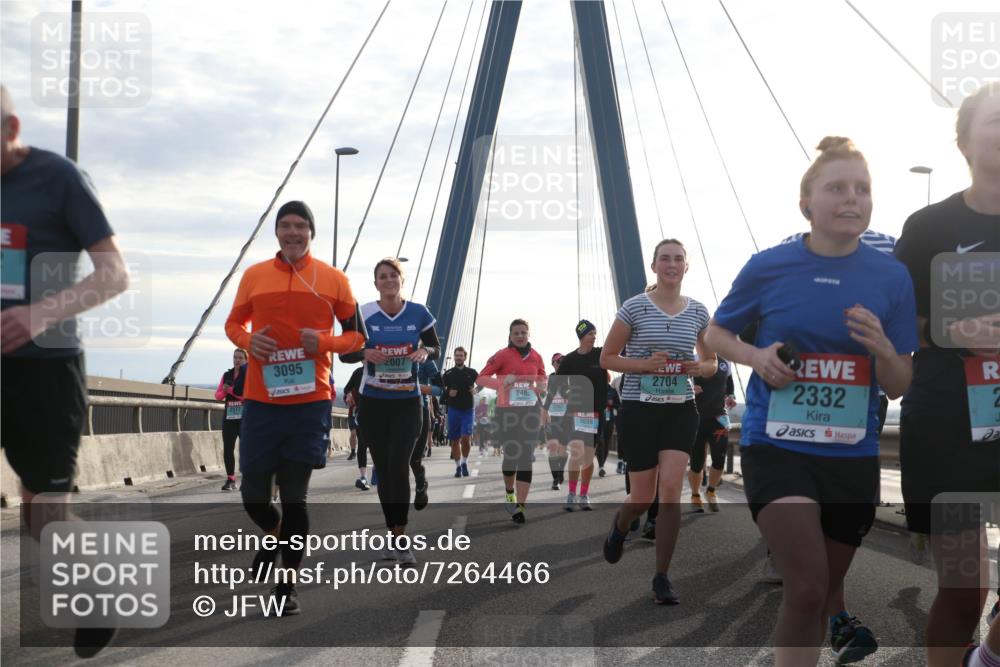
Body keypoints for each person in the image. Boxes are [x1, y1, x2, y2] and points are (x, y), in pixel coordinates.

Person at [704, 137, 918, 666]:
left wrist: (885, 348)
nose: (852, 199)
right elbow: (715, 334)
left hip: (851, 453)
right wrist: (757, 356)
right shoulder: (769, 266)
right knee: (805, 587)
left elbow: (899, 383)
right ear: (807, 204)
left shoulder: (891, 276)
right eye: (837, 188)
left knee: (821, 594)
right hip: (776, 445)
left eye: (862, 189)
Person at [1, 84, 130, 657]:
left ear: (11, 128)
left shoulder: (58, 178)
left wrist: (38, 314)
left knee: (43, 513)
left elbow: (114, 274)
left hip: (46, 371)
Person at [894, 82, 1000, 667]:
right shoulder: (930, 224)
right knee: (964, 591)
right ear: (963, 141)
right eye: (994, 119)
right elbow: (896, 325)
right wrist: (956, 332)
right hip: (947, 427)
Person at [225, 200, 366, 616]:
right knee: (253, 497)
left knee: (295, 499)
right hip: (261, 402)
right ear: (277, 233)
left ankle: (287, 588)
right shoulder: (254, 276)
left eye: (300, 226)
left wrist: (324, 343)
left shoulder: (334, 280)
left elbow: (357, 337)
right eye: (285, 226)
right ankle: (274, 533)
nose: (292, 233)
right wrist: (248, 341)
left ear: (311, 232)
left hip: (309, 402)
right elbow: (233, 325)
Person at [599, 238, 716, 605]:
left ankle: (662, 577)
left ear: (686, 267)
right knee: (643, 496)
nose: (671, 264)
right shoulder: (634, 308)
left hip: (680, 409)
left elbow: (712, 361)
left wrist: (702, 368)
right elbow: (607, 358)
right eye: (665, 259)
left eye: (678, 259)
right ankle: (621, 524)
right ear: (654, 266)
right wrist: (643, 365)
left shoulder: (698, 311)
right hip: (639, 408)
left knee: (670, 492)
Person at [357, 257, 440, 565]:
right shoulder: (364, 313)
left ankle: (401, 538)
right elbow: (346, 352)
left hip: (407, 402)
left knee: (399, 465)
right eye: (383, 276)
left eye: (394, 275)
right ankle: (392, 534)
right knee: (383, 471)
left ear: (402, 280)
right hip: (373, 403)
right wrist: (365, 351)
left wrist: (423, 351)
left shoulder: (419, 313)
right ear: (375, 282)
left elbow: (435, 347)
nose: (389, 280)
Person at [477, 319, 547, 524]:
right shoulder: (501, 355)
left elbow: (543, 377)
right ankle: (509, 492)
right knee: (511, 455)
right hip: (507, 412)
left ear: (528, 334)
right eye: (516, 333)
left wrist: (542, 386)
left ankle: (521, 506)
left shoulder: (536, 357)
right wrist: (501, 382)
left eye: (523, 332)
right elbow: (481, 378)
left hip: (530, 412)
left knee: (526, 455)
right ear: (510, 335)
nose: (520, 336)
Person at [544, 320, 608, 511]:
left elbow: (622, 349)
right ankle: (572, 494)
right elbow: (555, 387)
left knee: (588, 457)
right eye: (590, 334)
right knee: (577, 452)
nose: (594, 337)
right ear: (581, 336)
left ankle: (584, 494)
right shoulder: (570, 360)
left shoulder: (601, 354)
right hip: (576, 413)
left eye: (595, 333)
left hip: (596, 414)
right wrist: (545, 408)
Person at [687, 357, 736, 512]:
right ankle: (695, 495)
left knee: (719, 459)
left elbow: (730, 385)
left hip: (719, 418)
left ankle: (711, 490)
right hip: (696, 418)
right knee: (696, 462)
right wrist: (690, 388)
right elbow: (680, 382)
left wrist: (731, 396)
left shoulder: (726, 361)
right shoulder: (693, 358)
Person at [442, 346, 478, 477]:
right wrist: (448, 393)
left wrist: (477, 390)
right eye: (456, 355)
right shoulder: (448, 374)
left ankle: (464, 462)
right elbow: (440, 391)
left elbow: (482, 382)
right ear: (454, 356)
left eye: (461, 355)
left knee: (466, 439)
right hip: (453, 410)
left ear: (465, 357)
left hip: (468, 410)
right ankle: (457, 466)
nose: (458, 357)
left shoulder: (472, 372)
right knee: (455, 440)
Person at [214, 348, 247, 491]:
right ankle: (230, 479)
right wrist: (225, 391)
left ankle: (246, 479)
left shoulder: (249, 375)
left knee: (245, 449)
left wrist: (231, 391)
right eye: (235, 357)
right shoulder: (227, 375)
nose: (237, 360)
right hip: (230, 416)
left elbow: (248, 396)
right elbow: (218, 396)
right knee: (228, 448)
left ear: (246, 360)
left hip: (245, 416)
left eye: (240, 358)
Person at [412, 356, 443, 510]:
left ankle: (420, 484)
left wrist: (418, 387)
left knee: (414, 460)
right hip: (394, 411)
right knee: (396, 462)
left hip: (419, 411)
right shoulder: (387, 352)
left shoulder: (425, 360)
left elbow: (440, 389)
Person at [544, 352, 568, 490]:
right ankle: (555, 480)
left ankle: (561, 472)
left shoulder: (570, 378)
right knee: (553, 448)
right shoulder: (551, 378)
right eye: (558, 362)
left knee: (563, 451)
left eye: (562, 362)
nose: (560, 364)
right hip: (552, 417)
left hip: (566, 418)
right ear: (553, 364)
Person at [343, 365, 370, 489]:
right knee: (362, 445)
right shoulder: (358, 372)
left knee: (380, 445)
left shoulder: (383, 369)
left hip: (381, 414)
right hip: (362, 414)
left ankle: (379, 471)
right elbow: (347, 388)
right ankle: (364, 477)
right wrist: (348, 395)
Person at [598, 382, 620, 477]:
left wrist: (612, 404)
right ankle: (601, 466)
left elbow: (618, 405)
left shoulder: (613, 391)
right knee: (600, 441)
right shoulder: (596, 389)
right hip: (598, 419)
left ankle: (602, 463)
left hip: (610, 419)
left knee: (607, 443)